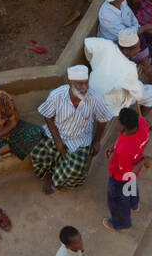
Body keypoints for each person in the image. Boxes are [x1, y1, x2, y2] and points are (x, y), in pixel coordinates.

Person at [30, 66, 111, 194]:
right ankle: (49, 174)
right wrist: (58, 141)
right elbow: (48, 116)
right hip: (57, 133)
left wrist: (96, 141)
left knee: (74, 168)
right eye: (80, 84)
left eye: (86, 83)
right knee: (37, 153)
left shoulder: (95, 98)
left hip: (79, 139)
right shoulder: (57, 95)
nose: (84, 87)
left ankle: (54, 182)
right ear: (70, 84)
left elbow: (103, 118)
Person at [84, 31, 152, 118]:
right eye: (137, 47)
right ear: (126, 50)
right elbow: (137, 93)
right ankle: (140, 121)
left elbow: (88, 44)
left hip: (91, 90)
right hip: (109, 104)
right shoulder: (129, 68)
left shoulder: (106, 44)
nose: (139, 49)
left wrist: (93, 62)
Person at [104, 106, 152, 233]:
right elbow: (124, 137)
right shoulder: (142, 123)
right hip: (133, 166)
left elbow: (127, 172)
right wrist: (114, 146)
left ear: (122, 124)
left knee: (117, 200)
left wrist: (144, 161)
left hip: (120, 176)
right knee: (132, 186)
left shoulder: (124, 150)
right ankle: (133, 205)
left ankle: (122, 225)